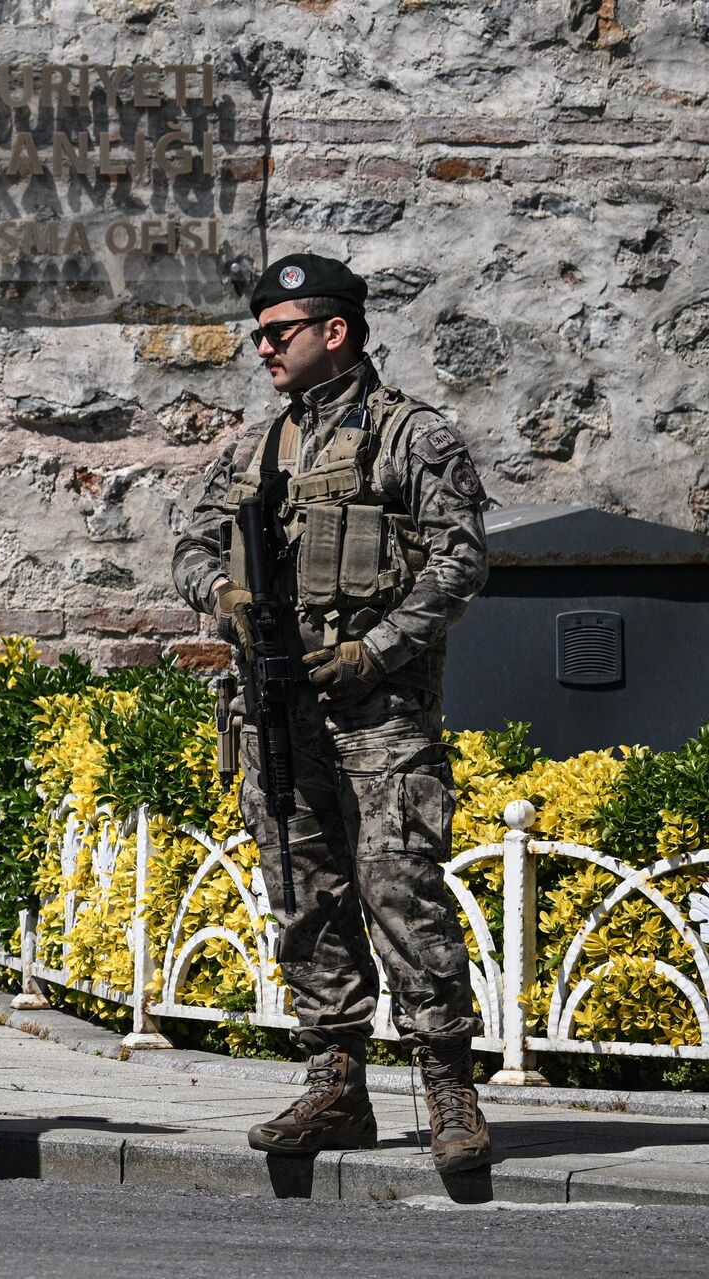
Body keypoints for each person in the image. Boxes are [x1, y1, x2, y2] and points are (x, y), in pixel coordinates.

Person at [171, 252, 494, 1173]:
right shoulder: (250, 449)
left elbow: (460, 562)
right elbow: (190, 548)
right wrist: (225, 598)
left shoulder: (411, 438)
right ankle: (335, 1084)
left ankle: (448, 1090)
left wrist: (373, 650)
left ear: (335, 331)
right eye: (260, 334)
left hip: (378, 713)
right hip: (276, 710)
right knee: (302, 896)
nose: (263, 348)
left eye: (279, 333)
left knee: (401, 892)